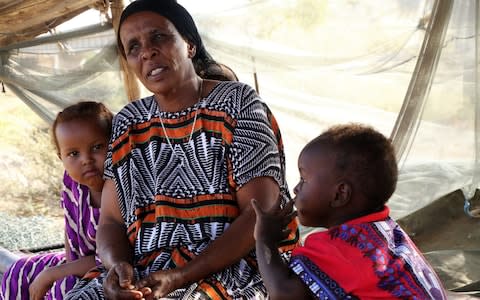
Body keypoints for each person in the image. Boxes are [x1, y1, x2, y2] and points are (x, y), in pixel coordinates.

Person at [65, 1, 298, 299]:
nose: (147, 52)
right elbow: (111, 221)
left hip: (235, 264)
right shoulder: (129, 122)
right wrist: (118, 268)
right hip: (148, 268)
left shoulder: (236, 102)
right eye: (133, 47)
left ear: (189, 44)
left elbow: (260, 214)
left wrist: (179, 276)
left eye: (158, 37)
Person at [252, 123, 448, 300]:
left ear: (340, 194)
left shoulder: (335, 248)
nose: (296, 189)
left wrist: (264, 239)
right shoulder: (388, 232)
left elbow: (284, 293)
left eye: (304, 180)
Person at [0, 101, 113, 300]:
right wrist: (65, 266)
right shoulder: (72, 182)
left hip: (109, 270)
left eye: (97, 147)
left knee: (65, 288)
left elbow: (114, 259)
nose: (86, 159)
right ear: (61, 157)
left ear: (114, 145)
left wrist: (56, 273)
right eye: (73, 154)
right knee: (18, 271)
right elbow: (69, 230)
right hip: (75, 263)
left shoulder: (121, 191)